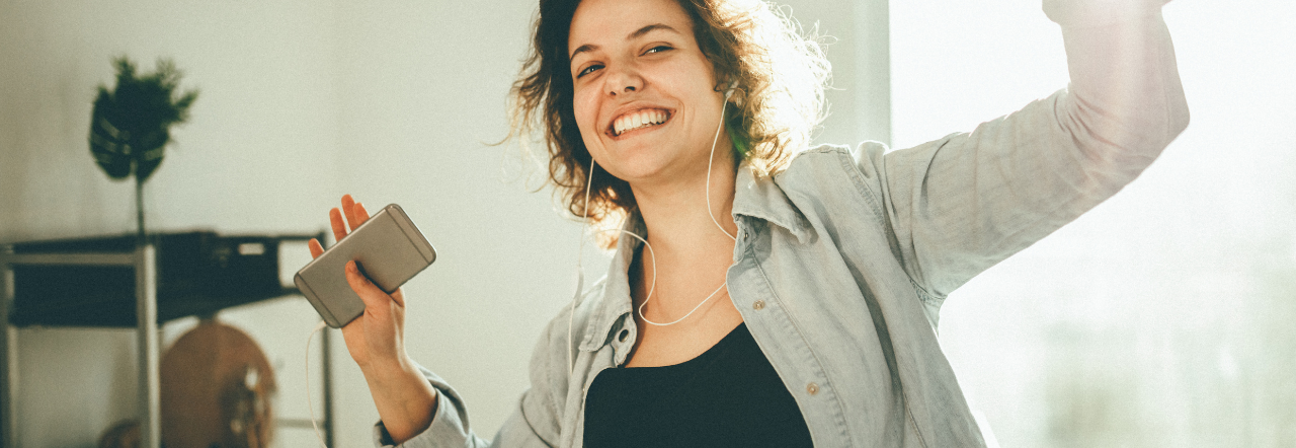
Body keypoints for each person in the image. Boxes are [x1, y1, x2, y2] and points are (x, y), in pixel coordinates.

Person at [308, 0, 1189, 446]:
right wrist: (386, 364)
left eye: (654, 47)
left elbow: (1116, 124)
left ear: (722, 70)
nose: (619, 83)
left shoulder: (862, 212)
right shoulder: (575, 350)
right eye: (589, 67)